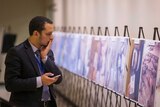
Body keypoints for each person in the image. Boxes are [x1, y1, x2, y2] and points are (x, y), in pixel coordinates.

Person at [4, 16, 62, 107]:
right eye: (48, 34)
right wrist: (40, 81)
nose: (52, 37)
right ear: (36, 33)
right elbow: (10, 84)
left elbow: (59, 79)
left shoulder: (48, 52)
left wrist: (44, 58)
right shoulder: (16, 52)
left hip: (48, 104)